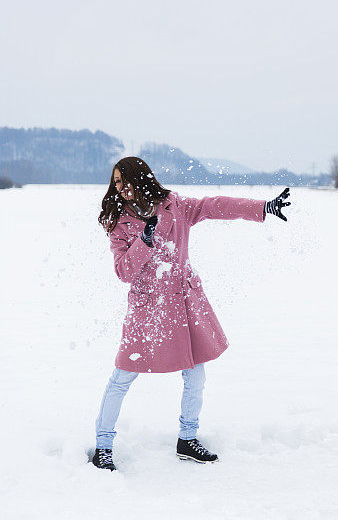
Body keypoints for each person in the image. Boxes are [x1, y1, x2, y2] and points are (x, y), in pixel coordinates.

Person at [91, 156, 291, 471]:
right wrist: (144, 243)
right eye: (116, 182)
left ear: (142, 178)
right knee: (122, 377)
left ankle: (187, 438)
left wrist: (261, 208)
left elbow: (215, 205)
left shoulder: (176, 206)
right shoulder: (120, 222)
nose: (121, 188)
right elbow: (124, 272)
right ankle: (103, 445)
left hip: (184, 304)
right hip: (148, 309)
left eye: (125, 180)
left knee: (195, 374)